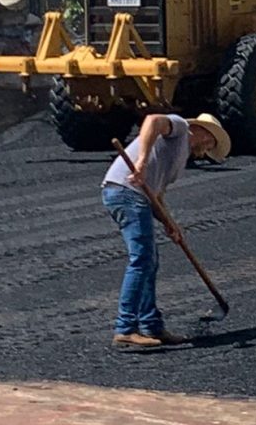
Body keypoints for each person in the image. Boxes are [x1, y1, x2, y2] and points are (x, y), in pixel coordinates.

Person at [101, 112, 231, 349]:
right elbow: (152, 120)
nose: (208, 150)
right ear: (204, 132)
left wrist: (170, 224)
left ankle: (152, 326)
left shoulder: (179, 159)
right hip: (125, 191)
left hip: (134, 196)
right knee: (141, 259)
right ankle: (125, 328)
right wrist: (140, 162)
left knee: (149, 260)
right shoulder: (180, 128)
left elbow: (157, 195)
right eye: (212, 143)